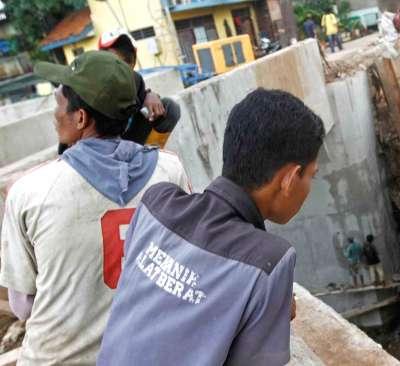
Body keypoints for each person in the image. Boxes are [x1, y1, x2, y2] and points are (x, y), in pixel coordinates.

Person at [97, 88, 325, 365]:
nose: (309, 186)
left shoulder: (155, 204)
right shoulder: (269, 261)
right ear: (290, 178)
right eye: (310, 175)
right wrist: (273, 308)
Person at [0, 51, 190, 364]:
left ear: (81, 118)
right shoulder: (170, 171)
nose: (54, 114)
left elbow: (24, 306)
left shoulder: (29, 193)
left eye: (58, 104)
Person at [98, 29, 181, 148]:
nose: (118, 69)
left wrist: (148, 95)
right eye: (111, 61)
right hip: (99, 151)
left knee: (169, 107)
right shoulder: (90, 87)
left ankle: (152, 155)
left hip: (128, 143)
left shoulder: (136, 81)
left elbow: (141, 95)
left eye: (126, 61)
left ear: (132, 64)